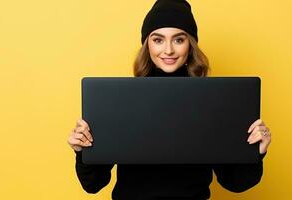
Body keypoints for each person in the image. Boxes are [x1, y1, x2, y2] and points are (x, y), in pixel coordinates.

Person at [67, 0, 272, 199]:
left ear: (190, 45)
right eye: (158, 40)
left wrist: (255, 152)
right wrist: (83, 151)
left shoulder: (211, 101)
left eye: (178, 39)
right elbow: (93, 184)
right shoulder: (122, 100)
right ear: (147, 45)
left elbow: (236, 183)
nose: (168, 50)